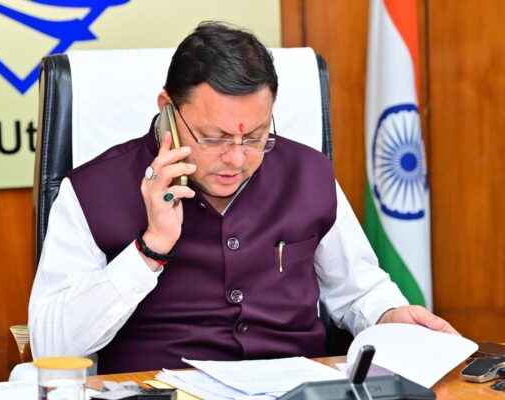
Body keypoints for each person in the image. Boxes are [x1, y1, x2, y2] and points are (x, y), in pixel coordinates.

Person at [28, 21, 456, 374]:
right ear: (167, 109)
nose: (236, 159)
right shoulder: (92, 190)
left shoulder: (307, 172)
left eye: (255, 136)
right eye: (213, 138)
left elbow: (358, 290)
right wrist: (149, 249)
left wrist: (388, 315)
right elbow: (51, 344)